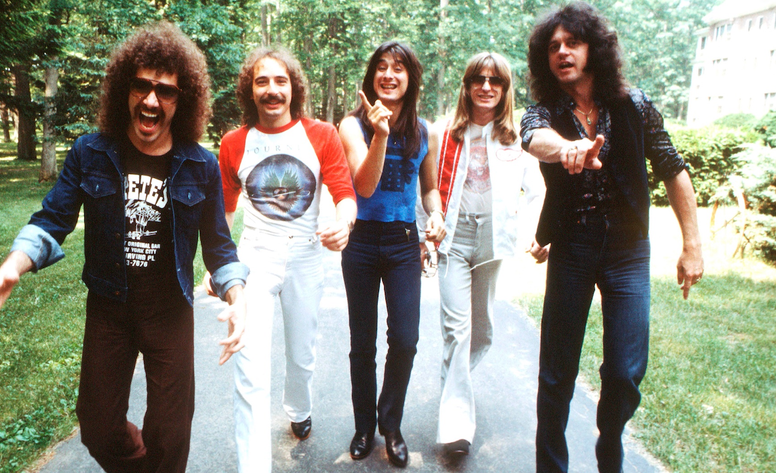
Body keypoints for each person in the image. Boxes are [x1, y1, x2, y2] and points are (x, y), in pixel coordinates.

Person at [0, 22, 249, 473]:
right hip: (109, 308)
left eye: (166, 91)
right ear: (125, 88)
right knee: (98, 426)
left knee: (171, 431)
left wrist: (238, 298)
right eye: (141, 86)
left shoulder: (200, 164)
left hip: (168, 311)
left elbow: (220, 248)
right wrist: (12, 267)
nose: (151, 100)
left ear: (182, 102)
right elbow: (52, 220)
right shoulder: (91, 152)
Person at [521, 3, 704, 472]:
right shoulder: (544, 112)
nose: (562, 52)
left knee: (624, 374)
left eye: (572, 43)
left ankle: (609, 446)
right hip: (573, 248)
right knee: (556, 375)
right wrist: (568, 148)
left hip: (627, 250)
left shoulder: (634, 104)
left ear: (593, 49)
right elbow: (534, 139)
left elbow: (674, 170)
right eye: (554, 46)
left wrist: (692, 246)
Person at [214, 46, 356, 473]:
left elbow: (344, 194)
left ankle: (299, 408)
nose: (272, 90)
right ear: (250, 91)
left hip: (306, 253)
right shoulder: (234, 143)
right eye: (262, 82)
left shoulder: (321, 135)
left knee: (301, 353)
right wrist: (217, 266)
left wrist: (344, 225)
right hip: (255, 256)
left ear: (294, 88)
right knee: (249, 365)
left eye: (280, 81)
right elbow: (223, 213)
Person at [427, 52, 547, 457]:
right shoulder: (445, 134)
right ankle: (457, 426)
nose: (486, 86)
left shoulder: (516, 139)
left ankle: (452, 382)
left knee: (482, 333)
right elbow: (423, 188)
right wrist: (430, 223)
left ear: (505, 90)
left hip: (493, 242)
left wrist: (532, 233)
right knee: (456, 331)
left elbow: (537, 192)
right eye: (478, 78)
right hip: (455, 241)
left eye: (496, 81)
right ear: (466, 85)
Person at [338, 40, 446, 468]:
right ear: (371, 77)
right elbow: (363, 186)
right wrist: (379, 133)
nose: (389, 74)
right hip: (361, 240)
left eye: (398, 68)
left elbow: (430, 187)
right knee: (362, 343)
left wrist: (435, 216)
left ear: (411, 79)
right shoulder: (351, 126)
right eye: (381, 67)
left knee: (405, 339)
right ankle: (364, 426)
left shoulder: (424, 131)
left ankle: (391, 424)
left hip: (404, 241)